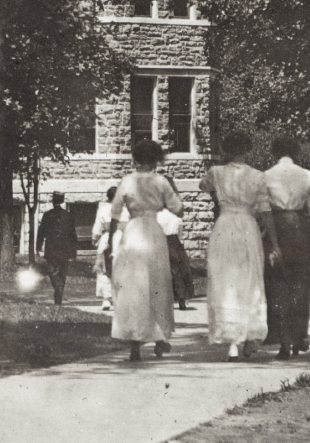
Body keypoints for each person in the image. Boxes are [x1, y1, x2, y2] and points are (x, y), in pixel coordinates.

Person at [200, 131, 280, 361]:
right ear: (247, 149)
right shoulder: (257, 176)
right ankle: (247, 336)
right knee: (249, 280)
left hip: (225, 227)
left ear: (226, 149)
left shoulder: (216, 172)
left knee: (227, 281)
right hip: (247, 227)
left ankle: (233, 343)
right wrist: (274, 243)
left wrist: (217, 186)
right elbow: (265, 211)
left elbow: (202, 186)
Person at [106, 139, 182, 362]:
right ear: (157, 159)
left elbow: (114, 213)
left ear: (136, 158)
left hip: (132, 232)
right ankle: (159, 338)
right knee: (157, 285)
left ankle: (135, 344)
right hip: (153, 234)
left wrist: (111, 242)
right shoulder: (161, 181)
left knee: (134, 286)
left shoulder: (127, 181)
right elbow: (178, 209)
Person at [263, 137, 310, 360]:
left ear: (275, 153)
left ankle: (283, 340)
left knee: (277, 285)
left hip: (277, 229)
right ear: (295, 153)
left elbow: (261, 209)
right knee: (300, 285)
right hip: (300, 230)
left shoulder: (267, 176)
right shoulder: (306, 175)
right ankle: (299, 336)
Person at [158, 175, 195, 311]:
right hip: (175, 243)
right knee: (178, 272)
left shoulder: (158, 216)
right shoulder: (176, 217)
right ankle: (181, 299)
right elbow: (181, 233)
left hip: (162, 242)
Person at [36, 191, 78, 305]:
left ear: (52, 201)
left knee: (52, 271)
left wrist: (38, 247)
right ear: (63, 200)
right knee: (62, 273)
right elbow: (73, 235)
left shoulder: (47, 215)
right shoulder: (68, 216)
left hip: (51, 249)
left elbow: (41, 232)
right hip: (65, 249)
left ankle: (57, 289)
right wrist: (73, 251)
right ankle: (59, 293)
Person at [91, 186, 124, 311]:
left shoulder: (103, 210)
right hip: (121, 240)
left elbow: (97, 227)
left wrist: (94, 238)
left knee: (104, 270)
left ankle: (106, 299)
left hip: (106, 240)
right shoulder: (125, 211)